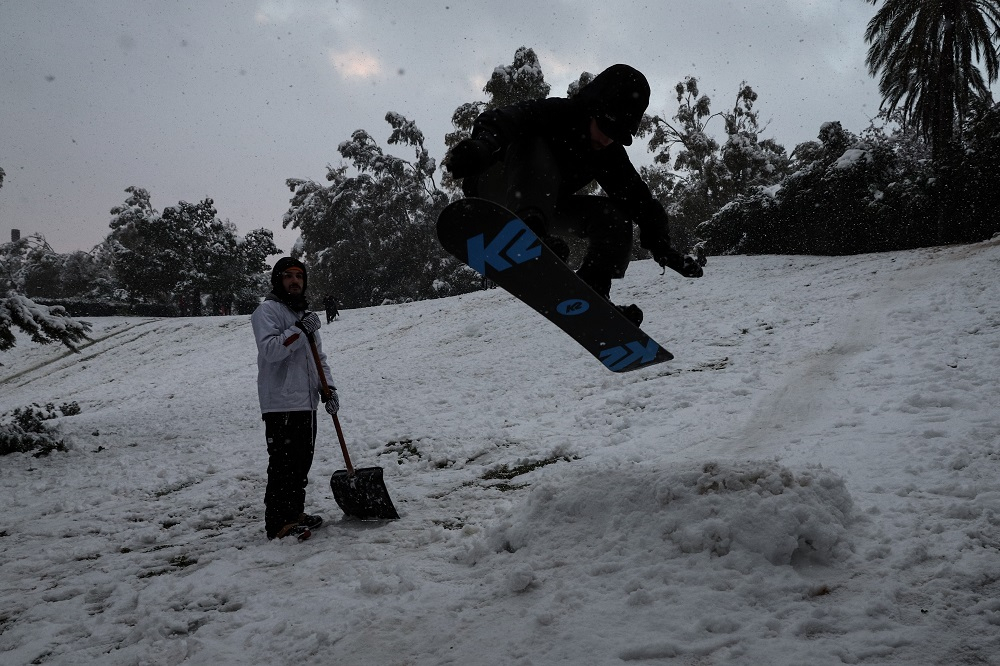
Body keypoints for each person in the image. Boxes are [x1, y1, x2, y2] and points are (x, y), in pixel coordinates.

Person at [445, 63, 704, 326]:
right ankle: (529, 233)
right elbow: (504, 118)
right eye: (605, 127)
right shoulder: (558, 113)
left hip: (543, 206)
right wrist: (482, 146)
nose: (606, 140)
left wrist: (663, 249)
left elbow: (640, 201)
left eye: (618, 136)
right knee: (533, 141)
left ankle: (594, 289)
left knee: (614, 216)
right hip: (497, 184)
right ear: (592, 108)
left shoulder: (607, 154)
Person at [251, 257, 340, 540]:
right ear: (279, 279)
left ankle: (294, 512)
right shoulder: (266, 311)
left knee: (301, 461)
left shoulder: (304, 314)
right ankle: (278, 522)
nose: (295, 281)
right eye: (288, 276)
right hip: (280, 402)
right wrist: (300, 330)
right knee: (283, 464)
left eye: (299, 276)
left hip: (306, 401)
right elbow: (271, 351)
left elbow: (318, 358)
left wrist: (329, 389)